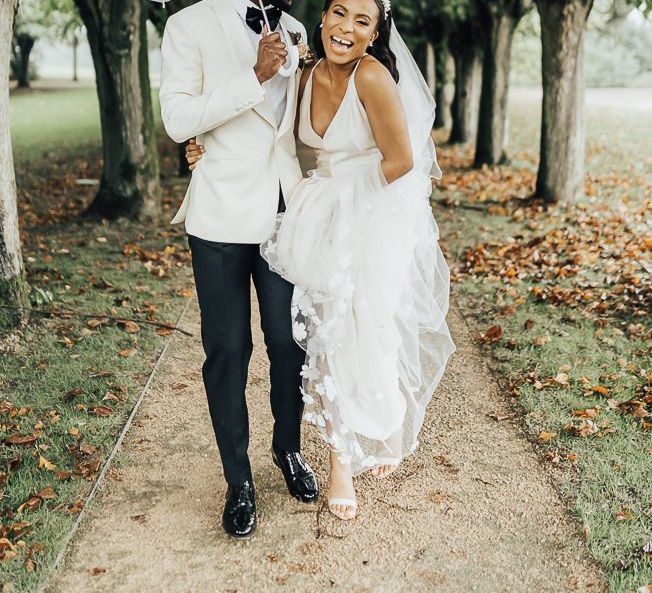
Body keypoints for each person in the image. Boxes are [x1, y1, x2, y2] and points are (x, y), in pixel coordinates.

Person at [186, 0, 456, 521]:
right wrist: (203, 149)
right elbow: (283, 137)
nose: (347, 28)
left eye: (362, 21)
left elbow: (401, 162)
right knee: (321, 334)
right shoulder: (304, 68)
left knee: (353, 332)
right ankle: (293, 462)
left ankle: (341, 463)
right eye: (339, 13)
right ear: (324, 18)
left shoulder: (373, 78)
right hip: (313, 211)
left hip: (368, 216)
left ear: (377, 34)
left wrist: (347, 208)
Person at [158, 0, 319, 540]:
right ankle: (239, 481)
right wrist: (254, 76)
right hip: (220, 214)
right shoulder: (187, 24)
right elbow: (178, 120)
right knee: (228, 348)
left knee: (289, 341)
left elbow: (299, 128)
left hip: (283, 211)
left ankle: (288, 449)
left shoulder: (296, 28)